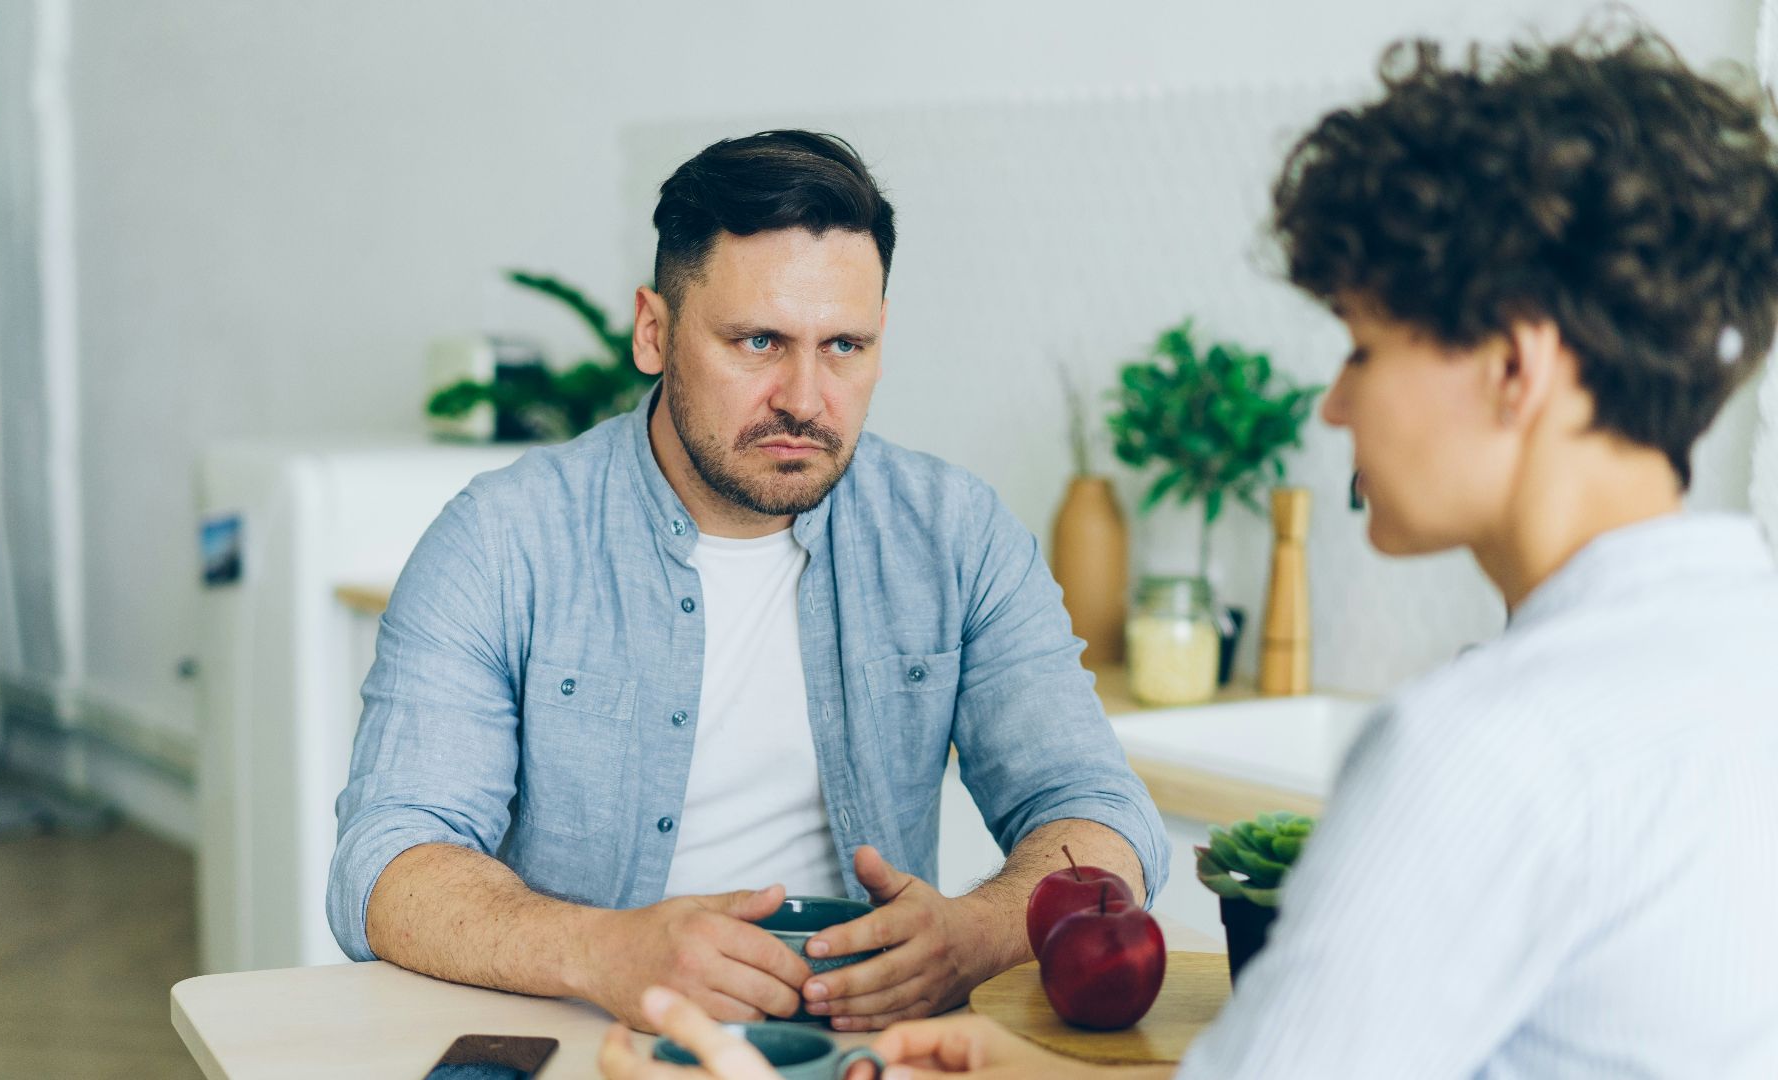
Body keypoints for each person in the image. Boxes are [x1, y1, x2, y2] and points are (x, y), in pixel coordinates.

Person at [600, 26, 1778, 1080]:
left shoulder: (1486, 751)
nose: (1335, 408)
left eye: (1365, 349)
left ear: (1514, 371)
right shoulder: (1743, 644)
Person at [327, 129, 1170, 1032]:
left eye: (844, 345)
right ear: (654, 332)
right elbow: (387, 862)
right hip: (600, 1040)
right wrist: (604, 950)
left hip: (866, 1052)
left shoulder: (956, 535)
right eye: (759, 340)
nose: (805, 398)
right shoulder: (501, 541)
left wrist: (979, 932)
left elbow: (1099, 814)